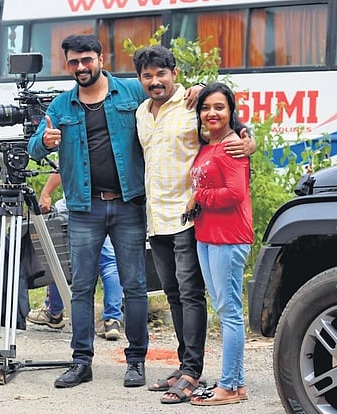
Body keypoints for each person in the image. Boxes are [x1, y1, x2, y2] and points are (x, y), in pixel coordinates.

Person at [132, 45, 254, 404]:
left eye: (161, 73)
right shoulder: (141, 112)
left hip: (188, 219)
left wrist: (249, 140)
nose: (155, 81)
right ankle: (184, 364)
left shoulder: (191, 103)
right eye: (147, 76)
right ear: (140, 79)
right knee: (173, 294)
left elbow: (230, 128)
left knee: (190, 294)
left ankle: (191, 372)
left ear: (174, 74)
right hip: (157, 218)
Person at [27, 34, 149, 389]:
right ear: (68, 65)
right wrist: (44, 141)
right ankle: (81, 361)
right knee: (80, 287)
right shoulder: (60, 105)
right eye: (74, 62)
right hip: (84, 207)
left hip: (128, 203)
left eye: (86, 60)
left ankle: (136, 361)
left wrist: (196, 90)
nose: (81, 67)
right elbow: (34, 147)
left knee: (135, 285)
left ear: (100, 58)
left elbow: (172, 101)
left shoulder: (131, 92)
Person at [187, 83, 253, 406]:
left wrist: (199, 196)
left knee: (229, 313)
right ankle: (236, 385)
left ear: (230, 111)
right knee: (225, 309)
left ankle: (227, 386)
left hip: (229, 237)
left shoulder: (231, 146)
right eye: (205, 108)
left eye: (219, 107)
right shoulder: (208, 144)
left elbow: (235, 193)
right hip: (207, 236)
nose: (211, 113)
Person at [27, 173, 124, 340]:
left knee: (60, 256)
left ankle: (54, 311)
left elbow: (63, 166)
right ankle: (112, 319)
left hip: (78, 204)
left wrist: (46, 192)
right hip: (110, 202)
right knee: (109, 262)